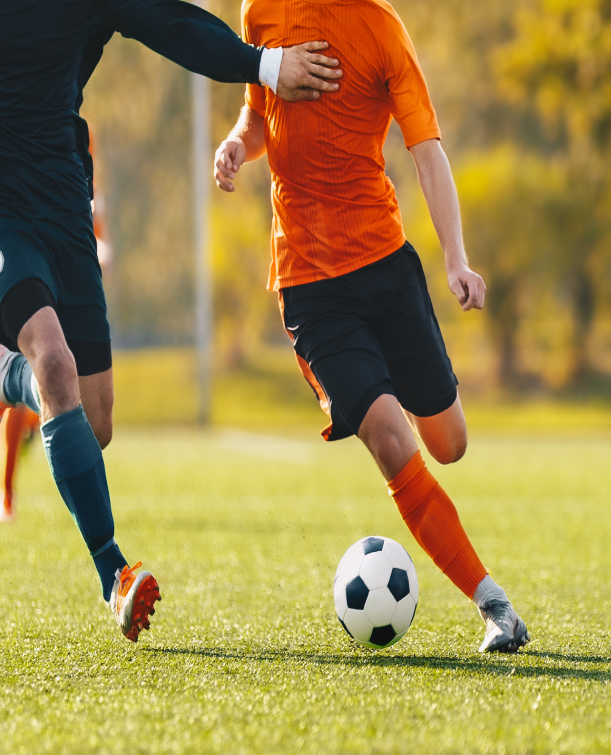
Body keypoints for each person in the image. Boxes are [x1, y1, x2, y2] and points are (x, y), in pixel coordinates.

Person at [0, 0, 342, 641]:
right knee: (54, 365)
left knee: (96, 420)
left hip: (63, 192)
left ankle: (4, 382)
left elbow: (175, 24)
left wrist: (267, 66)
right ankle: (115, 574)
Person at [213, 0, 531, 653]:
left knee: (448, 444)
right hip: (308, 285)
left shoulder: (382, 28)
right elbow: (257, 113)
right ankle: (494, 604)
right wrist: (236, 147)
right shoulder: (259, 12)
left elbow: (427, 152)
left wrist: (455, 258)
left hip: (385, 268)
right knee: (388, 435)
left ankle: (395, 411)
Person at [0, 128, 110, 526]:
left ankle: (19, 394)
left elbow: (96, 235)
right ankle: (5, 492)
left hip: (71, 294)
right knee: (45, 379)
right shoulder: (16, 144)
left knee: (97, 424)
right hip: (24, 276)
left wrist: (102, 253)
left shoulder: (84, 182)